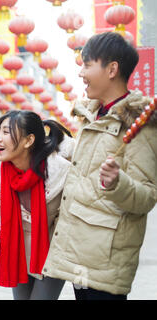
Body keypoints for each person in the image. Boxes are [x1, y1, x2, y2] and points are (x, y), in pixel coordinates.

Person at [42, 32, 157, 300]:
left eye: (87, 64)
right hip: (79, 255)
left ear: (112, 69)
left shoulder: (139, 126)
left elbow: (148, 196)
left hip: (104, 264)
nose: (81, 73)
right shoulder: (92, 116)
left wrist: (118, 184)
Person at [0, 110, 75, 300]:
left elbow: (70, 222)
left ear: (28, 141)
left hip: (51, 251)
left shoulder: (61, 172)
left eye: (6, 132)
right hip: (16, 250)